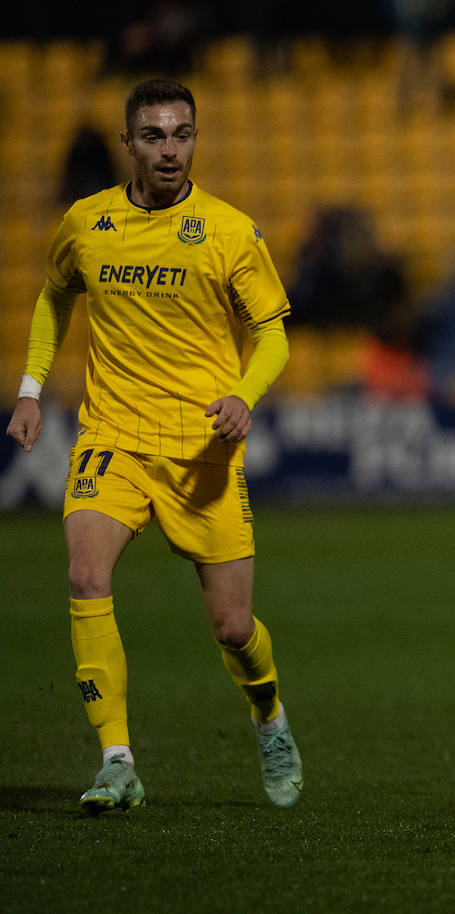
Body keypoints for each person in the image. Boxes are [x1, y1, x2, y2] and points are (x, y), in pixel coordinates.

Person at [5, 78, 303, 813]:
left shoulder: (231, 231)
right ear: (128, 143)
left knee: (234, 628)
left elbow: (272, 333)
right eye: (155, 137)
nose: (170, 150)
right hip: (113, 436)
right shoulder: (86, 222)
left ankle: (269, 716)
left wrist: (243, 395)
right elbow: (53, 294)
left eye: (182, 135)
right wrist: (32, 389)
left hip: (200, 448)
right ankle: (117, 761)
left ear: (195, 140)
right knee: (83, 574)